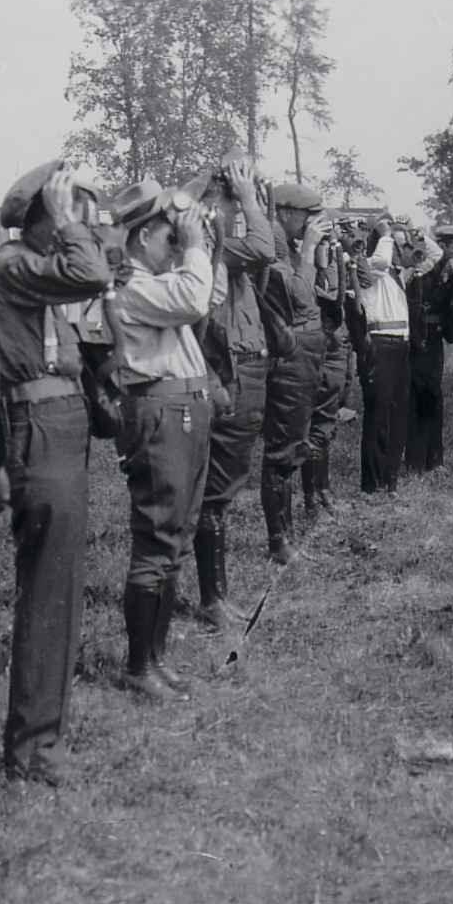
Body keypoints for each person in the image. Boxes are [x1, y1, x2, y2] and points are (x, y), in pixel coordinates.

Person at [0, 160, 113, 785]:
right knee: (49, 587)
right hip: (38, 429)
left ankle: (43, 739)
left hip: (62, 424)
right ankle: (34, 748)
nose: (84, 221)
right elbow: (92, 269)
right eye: (72, 207)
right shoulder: (11, 265)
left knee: (59, 586)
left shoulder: (40, 272)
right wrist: (69, 224)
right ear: (44, 212)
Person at [107, 179, 225, 700]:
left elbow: (208, 293)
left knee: (175, 538)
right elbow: (195, 296)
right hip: (160, 412)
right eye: (166, 237)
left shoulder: (159, 283)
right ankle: (139, 666)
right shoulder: (130, 287)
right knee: (158, 542)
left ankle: (156, 659)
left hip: (183, 411)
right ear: (139, 239)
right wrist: (195, 248)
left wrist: (207, 243)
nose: (174, 246)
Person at [188, 155, 278, 629]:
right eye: (231, 203)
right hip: (231, 373)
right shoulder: (209, 245)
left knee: (224, 486)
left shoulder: (227, 248)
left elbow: (271, 250)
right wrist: (247, 197)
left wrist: (259, 199)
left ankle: (216, 596)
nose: (236, 214)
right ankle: (212, 598)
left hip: (250, 369)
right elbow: (265, 248)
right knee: (216, 492)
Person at [260, 183, 329, 562]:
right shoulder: (272, 244)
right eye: (308, 216)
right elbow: (301, 294)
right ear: (285, 213)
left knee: (293, 445)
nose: (312, 223)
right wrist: (307, 252)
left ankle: (285, 534)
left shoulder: (285, 243)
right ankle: (279, 541)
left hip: (304, 351)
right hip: (290, 357)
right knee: (282, 450)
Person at [349, 216, 418, 494]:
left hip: (401, 345)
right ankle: (372, 483)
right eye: (396, 247)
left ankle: (390, 480)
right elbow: (378, 261)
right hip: (381, 345)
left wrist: (409, 233)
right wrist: (385, 232)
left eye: (403, 247)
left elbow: (432, 257)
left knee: (399, 414)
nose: (401, 252)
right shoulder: (369, 270)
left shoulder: (398, 275)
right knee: (378, 416)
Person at [404, 223, 453, 473]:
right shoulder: (425, 268)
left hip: (436, 339)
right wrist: (449, 276)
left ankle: (435, 460)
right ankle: (416, 461)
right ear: (442, 247)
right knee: (418, 395)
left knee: (434, 396)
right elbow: (427, 298)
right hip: (421, 336)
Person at [302, 218, 361, 517]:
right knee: (315, 427)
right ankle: (313, 498)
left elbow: (343, 292)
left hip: (334, 347)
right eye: (322, 242)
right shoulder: (306, 272)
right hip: (317, 348)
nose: (326, 248)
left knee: (325, 425)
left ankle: (322, 490)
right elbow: (333, 299)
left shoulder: (325, 269)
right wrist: (334, 250)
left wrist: (341, 247)